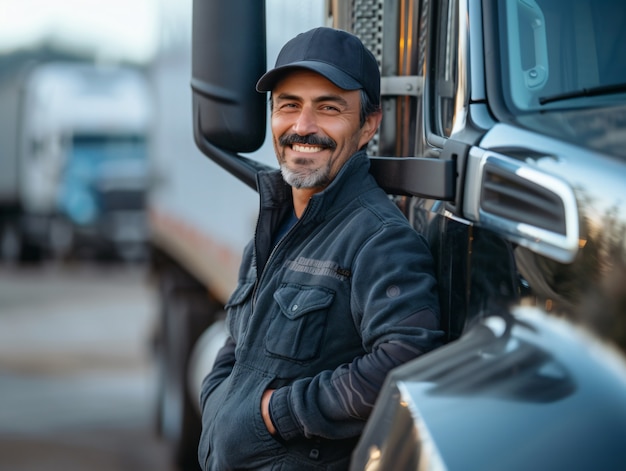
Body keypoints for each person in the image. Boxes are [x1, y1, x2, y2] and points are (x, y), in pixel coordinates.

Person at [198, 27, 444, 470]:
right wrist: (218, 402)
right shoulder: (272, 225)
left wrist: (278, 414)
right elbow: (238, 342)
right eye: (288, 105)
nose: (302, 127)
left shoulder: (379, 239)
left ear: (368, 125)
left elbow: (407, 362)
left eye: (328, 108)